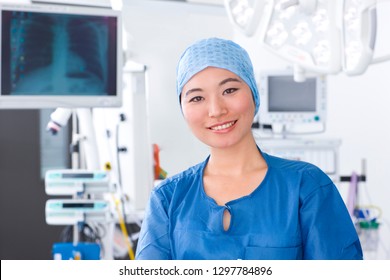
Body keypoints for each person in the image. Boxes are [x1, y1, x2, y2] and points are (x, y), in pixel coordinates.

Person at [135, 37, 363, 260]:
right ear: (183, 109)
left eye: (229, 90)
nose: (215, 110)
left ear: (253, 93)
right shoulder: (168, 199)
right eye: (197, 98)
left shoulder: (306, 187)